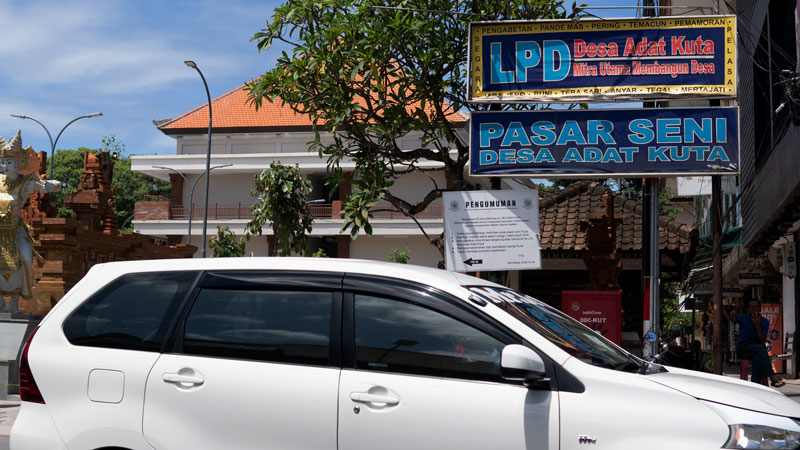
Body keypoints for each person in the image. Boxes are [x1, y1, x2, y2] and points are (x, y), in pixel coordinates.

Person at [0, 131, 61, 314]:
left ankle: (15, 302)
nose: (5, 166)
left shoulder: (27, 181)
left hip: (16, 229)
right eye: (2, 162)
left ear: (18, 163)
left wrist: (53, 185)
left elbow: (48, 186)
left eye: (9, 162)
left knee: (25, 259)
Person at [720, 298, 785, 387]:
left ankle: (755, 385)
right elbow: (729, 318)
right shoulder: (743, 318)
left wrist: (757, 325)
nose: (754, 310)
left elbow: (762, 341)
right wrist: (719, 305)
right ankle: (772, 376)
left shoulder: (764, 321)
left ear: (760, 309)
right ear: (748, 309)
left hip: (757, 349)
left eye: (756, 307)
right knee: (760, 349)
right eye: (751, 307)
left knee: (758, 357)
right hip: (744, 348)